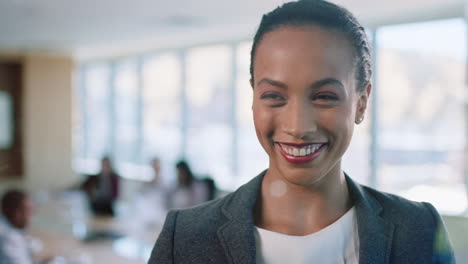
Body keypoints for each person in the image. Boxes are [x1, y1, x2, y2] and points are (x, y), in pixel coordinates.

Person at [148, 1, 455, 263]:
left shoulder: (418, 228)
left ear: (361, 103)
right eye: (274, 96)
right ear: (254, 98)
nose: (297, 126)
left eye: (324, 96)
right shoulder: (185, 237)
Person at [0, 189, 37, 264]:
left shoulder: (12, 225)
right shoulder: (8, 237)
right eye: (29, 211)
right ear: (17, 214)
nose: (32, 217)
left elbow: (30, 245)